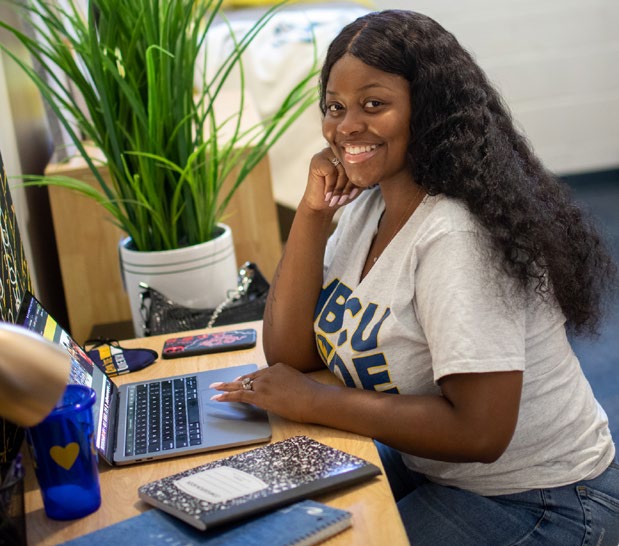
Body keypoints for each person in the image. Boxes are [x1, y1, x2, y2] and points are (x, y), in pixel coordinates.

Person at [210, 10, 619, 545]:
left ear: (427, 111)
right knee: (266, 524)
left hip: (544, 498)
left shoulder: (454, 236)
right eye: (335, 107)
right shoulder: (367, 205)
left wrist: (314, 401)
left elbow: (480, 432)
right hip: (438, 468)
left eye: (373, 104)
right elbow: (293, 355)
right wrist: (312, 217)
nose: (346, 126)